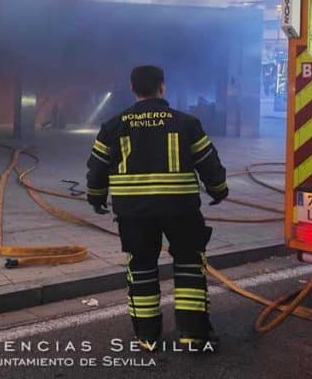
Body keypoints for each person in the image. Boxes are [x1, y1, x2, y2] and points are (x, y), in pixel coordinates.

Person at [86, 65, 228, 352]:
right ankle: (193, 336)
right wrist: (218, 190)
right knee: (189, 267)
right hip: (182, 210)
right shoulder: (186, 123)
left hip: (134, 213)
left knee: (141, 269)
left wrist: (96, 198)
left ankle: (147, 338)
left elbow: (97, 170)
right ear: (162, 87)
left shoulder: (113, 126)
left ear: (133, 88)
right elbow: (208, 163)